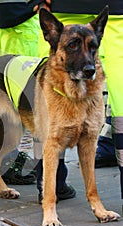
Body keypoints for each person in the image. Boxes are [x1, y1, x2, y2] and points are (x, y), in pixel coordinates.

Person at [0, 0, 76, 203]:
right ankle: (45, 182)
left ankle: (2, 162)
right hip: (23, 16)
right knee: (38, 104)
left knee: (4, 100)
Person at [39, 0, 123, 202]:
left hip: (67, 7)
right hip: (108, 9)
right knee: (50, 121)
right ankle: (52, 192)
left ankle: (55, 187)